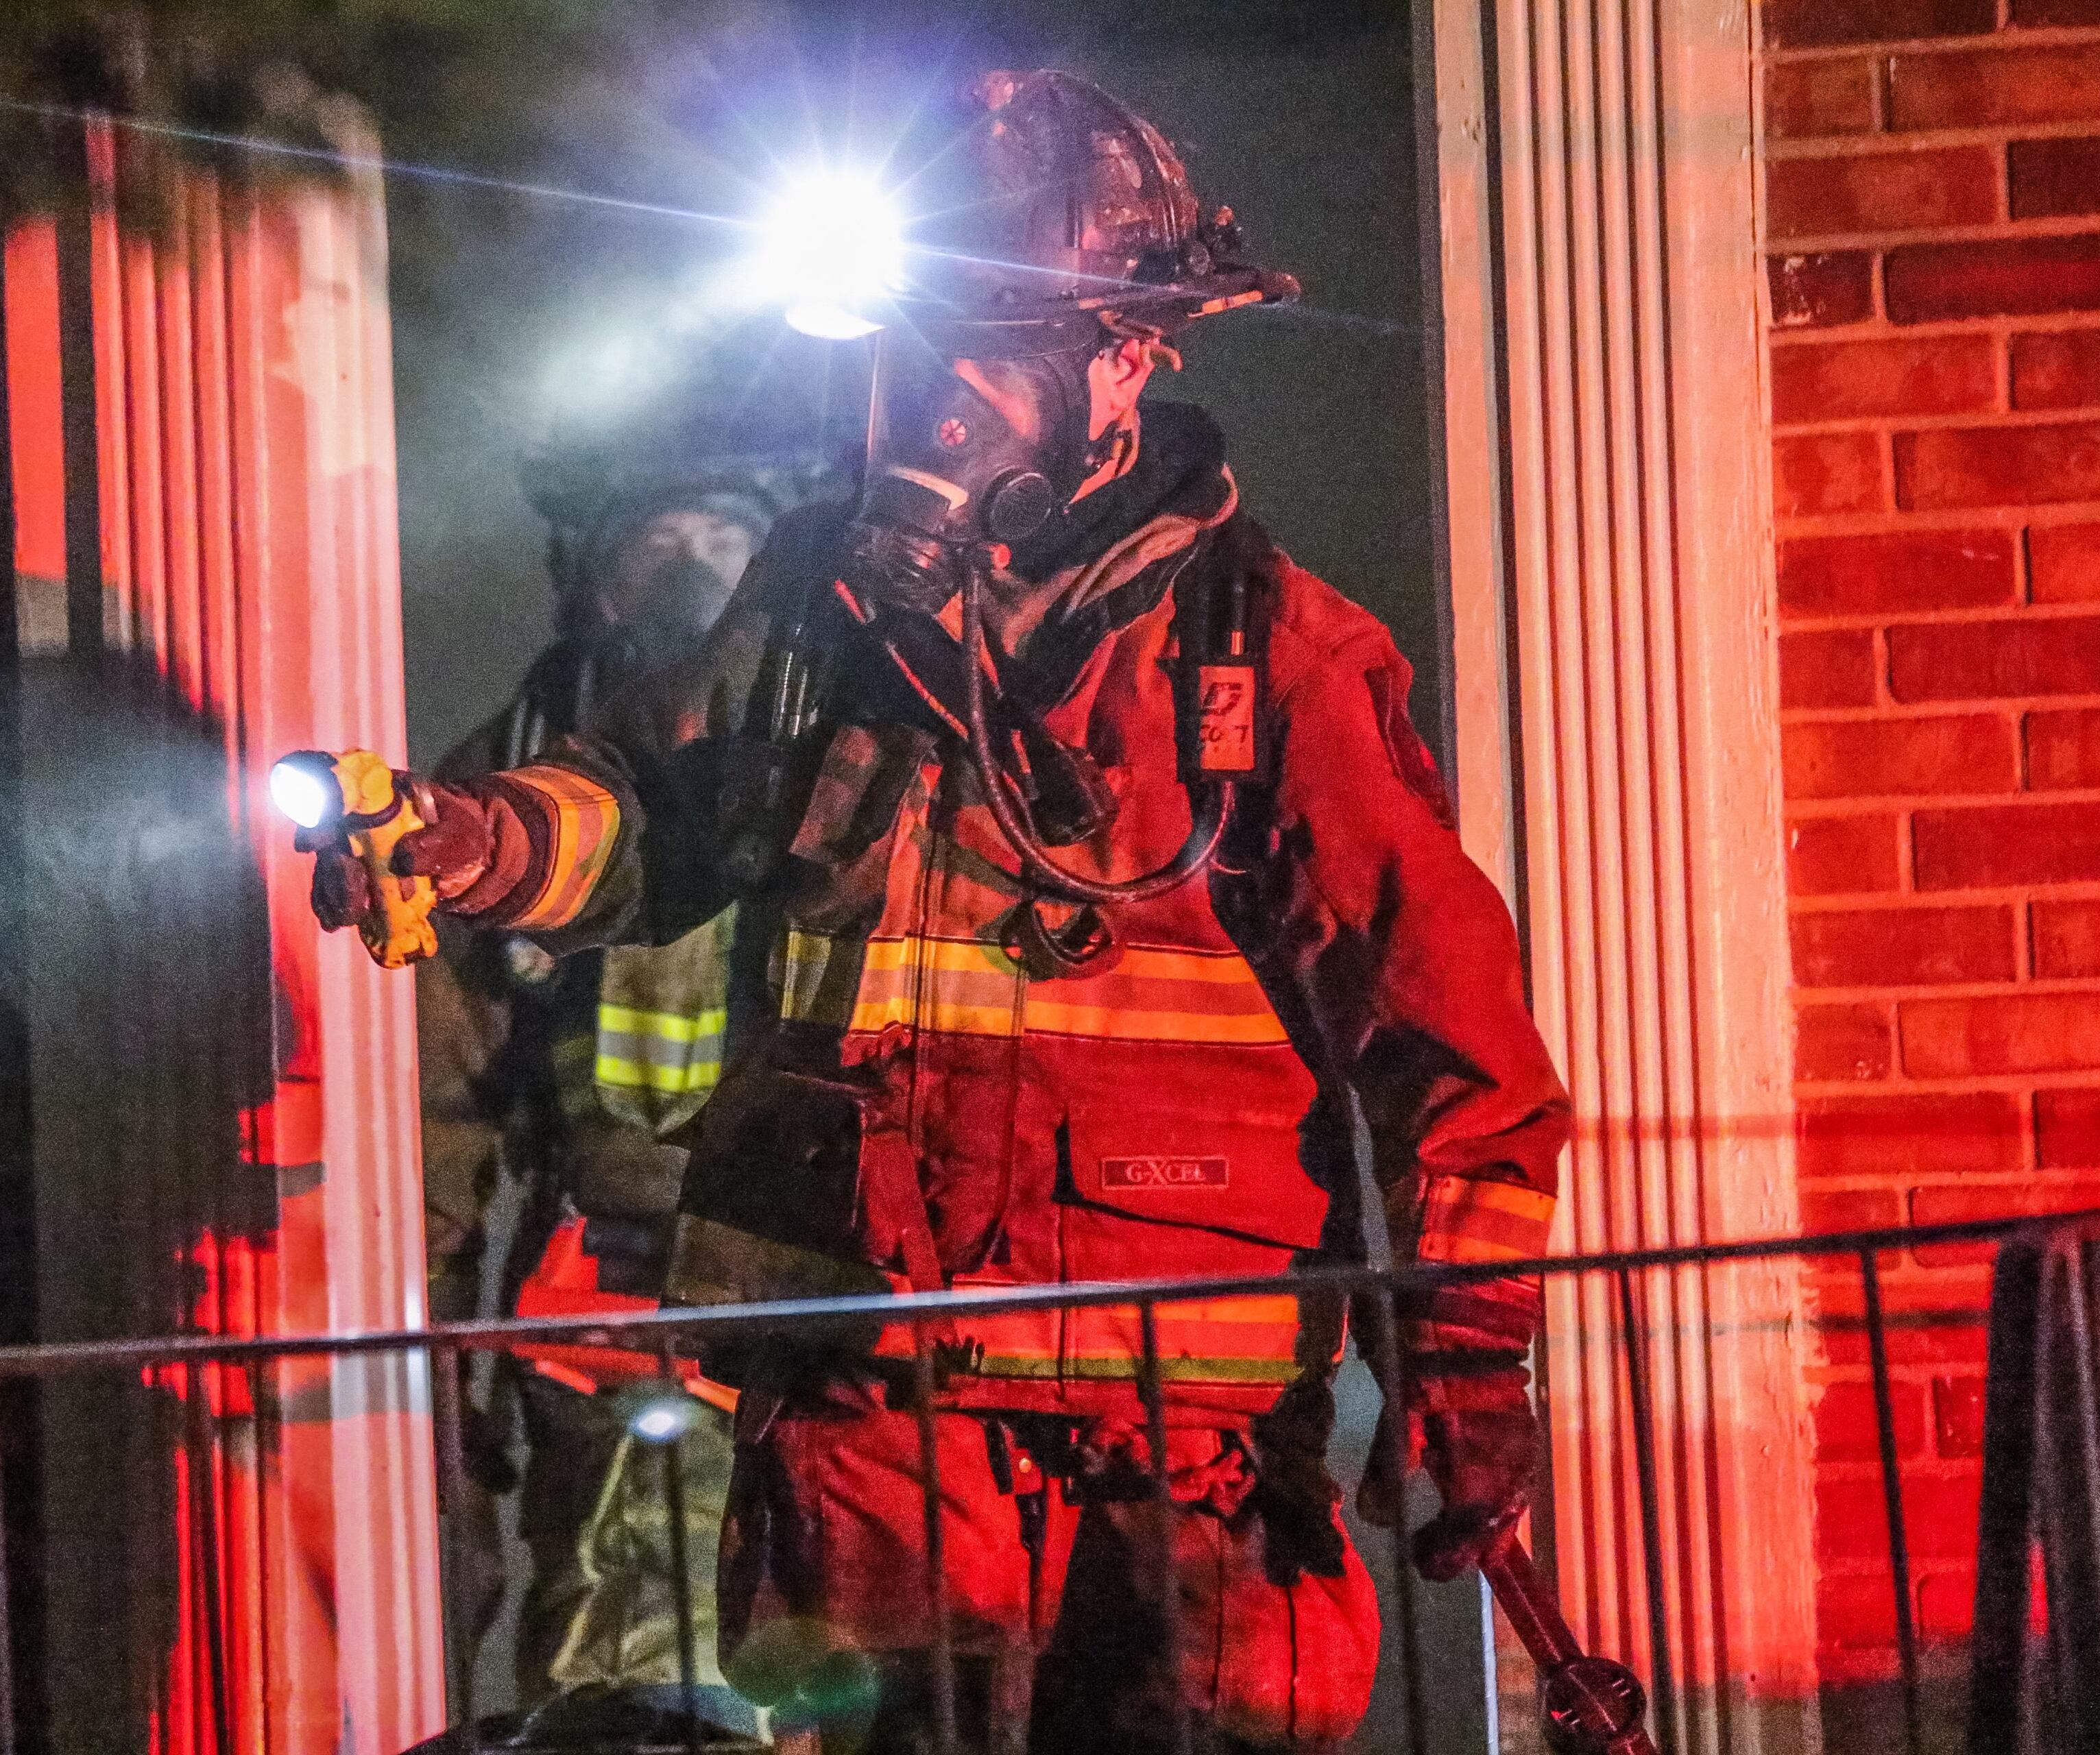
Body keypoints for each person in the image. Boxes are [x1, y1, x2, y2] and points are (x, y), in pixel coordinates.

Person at [332, 71, 1568, 1755]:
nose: (926, 404)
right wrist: (471, 839)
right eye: (902, 347)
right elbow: (647, 808)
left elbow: (1457, 1040)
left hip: (1178, 1437)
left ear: (1126, 356)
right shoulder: (826, 610)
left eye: (979, 349)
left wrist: (1475, 1357)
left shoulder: (1267, 658)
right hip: (870, 1408)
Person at [414, 343, 849, 1741]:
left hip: (820, 1285)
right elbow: (439, 1109)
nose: (691, 574)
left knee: (839, 1629)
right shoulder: (509, 793)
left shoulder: (849, 752)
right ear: (588, 570)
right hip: (603, 1308)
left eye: (726, 534)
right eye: (654, 536)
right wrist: (434, 1363)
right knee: (615, 1647)